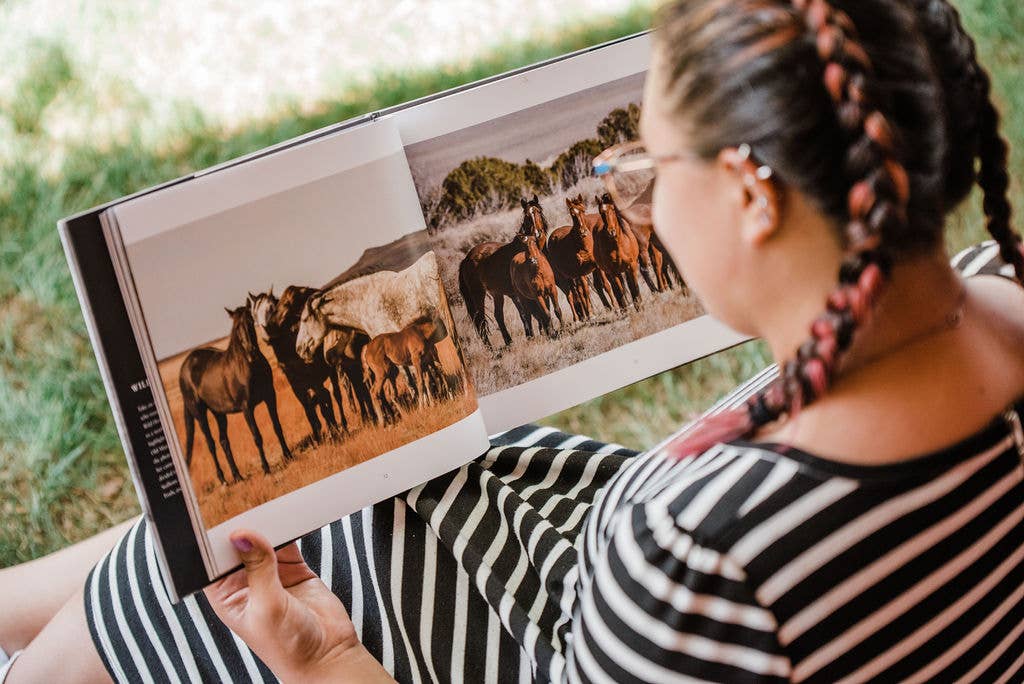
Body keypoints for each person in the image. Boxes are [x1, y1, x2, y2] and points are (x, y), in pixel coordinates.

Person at [3, 0, 1024, 680]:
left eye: (647, 170)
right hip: (604, 546)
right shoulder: (991, 300)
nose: (638, 205)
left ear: (752, 194)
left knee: (231, 559)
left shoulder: (700, 561)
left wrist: (322, 661)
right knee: (309, 497)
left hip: (561, 620)